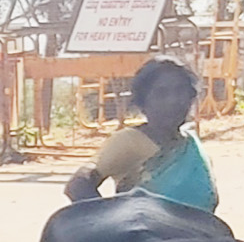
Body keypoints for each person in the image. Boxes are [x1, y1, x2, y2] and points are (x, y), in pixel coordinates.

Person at [63, 56, 218, 212]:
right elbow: (78, 185)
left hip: (202, 234)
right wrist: (110, 221)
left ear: (191, 97)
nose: (173, 100)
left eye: (180, 91)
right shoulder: (129, 141)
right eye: (161, 93)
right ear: (143, 103)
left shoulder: (191, 145)